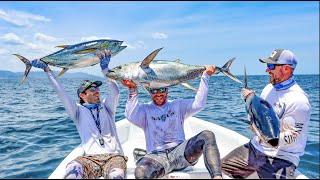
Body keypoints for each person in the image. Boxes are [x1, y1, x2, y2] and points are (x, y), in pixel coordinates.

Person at [30, 50, 127, 179]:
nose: (97, 91)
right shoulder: (77, 111)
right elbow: (61, 92)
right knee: (72, 171)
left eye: (98, 89)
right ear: (82, 95)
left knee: (116, 176)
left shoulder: (107, 107)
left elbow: (115, 91)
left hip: (114, 157)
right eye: (92, 90)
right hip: (90, 159)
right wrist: (47, 70)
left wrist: (106, 70)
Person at [222, 49, 311, 179]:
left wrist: (265, 137)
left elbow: (292, 137)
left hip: (281, 157)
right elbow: (257, 116)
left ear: (286, 69)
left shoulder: (299, 100)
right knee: (217, 171)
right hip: (255, 148)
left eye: (271, 66)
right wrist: (249, 101)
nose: (267, 70)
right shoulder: (269, 88)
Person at [121, 65, 223, 179]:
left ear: (167, 90)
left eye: (162, 89)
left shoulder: (177, 105)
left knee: (207, 135)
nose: (158, 93)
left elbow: (199, 103)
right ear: (149, 92)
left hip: (181, 153)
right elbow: (130, 115)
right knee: (140, 172)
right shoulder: (145, 110)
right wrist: (132, 90)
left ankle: (217, 177)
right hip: (156, 157)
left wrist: (205, 77)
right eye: (154, 90)